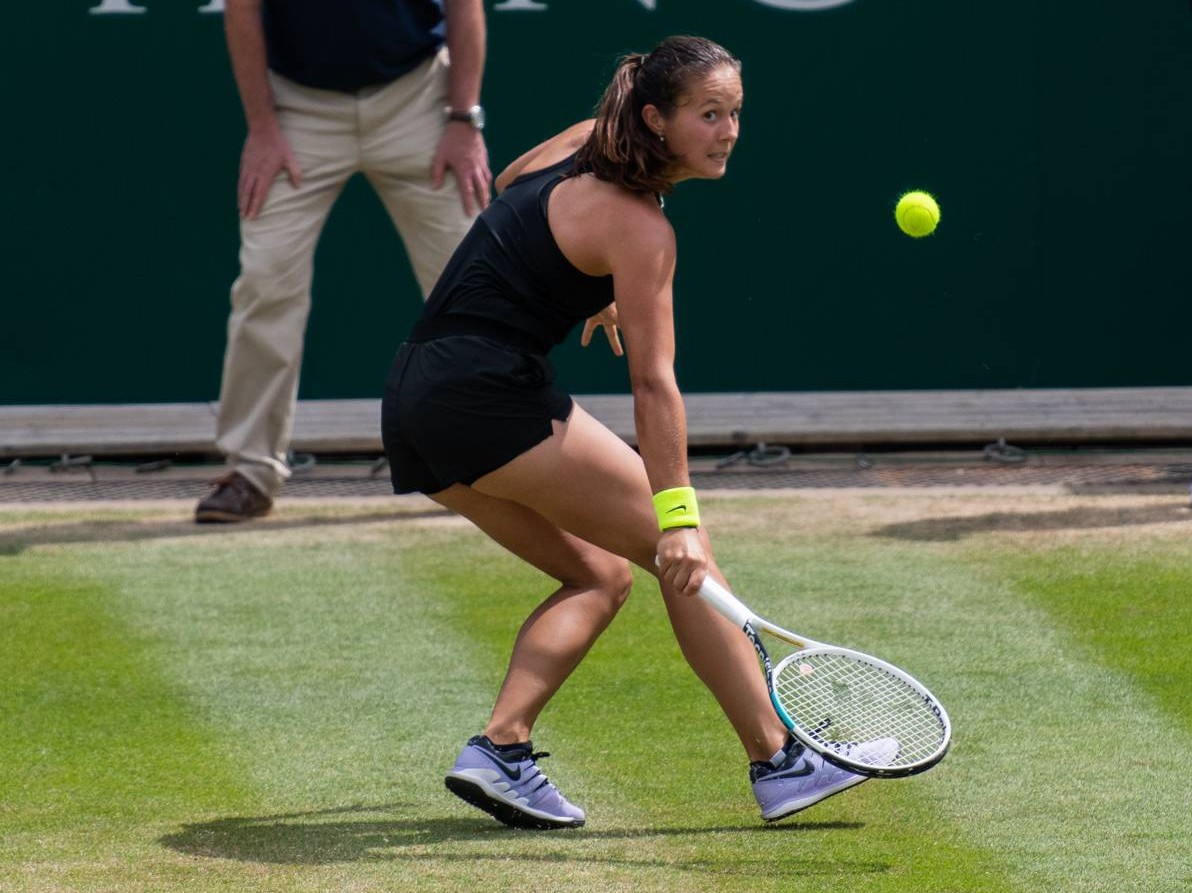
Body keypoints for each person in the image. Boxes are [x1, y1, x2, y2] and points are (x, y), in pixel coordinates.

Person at [381, 35, 894, 829]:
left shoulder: (588, 144)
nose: (727, 132)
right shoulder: (643, 231)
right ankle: (782, 760)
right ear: (656, 120)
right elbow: (654, 386)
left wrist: (587, 282)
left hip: (414, 395)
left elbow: (515, 184)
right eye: (708, 115)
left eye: (734, 114)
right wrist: (679, 519)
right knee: (674, 552)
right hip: (486, 395)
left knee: (599, 576)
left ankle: (500, 749)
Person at [196, 0, 491, 523]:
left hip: (418, 99)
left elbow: (465, 5)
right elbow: (242, 11)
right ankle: (250, 472)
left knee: (473, 285)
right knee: (265, 281)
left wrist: (463, 118)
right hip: (296, 110)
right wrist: (262, 126)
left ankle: (495, 461)